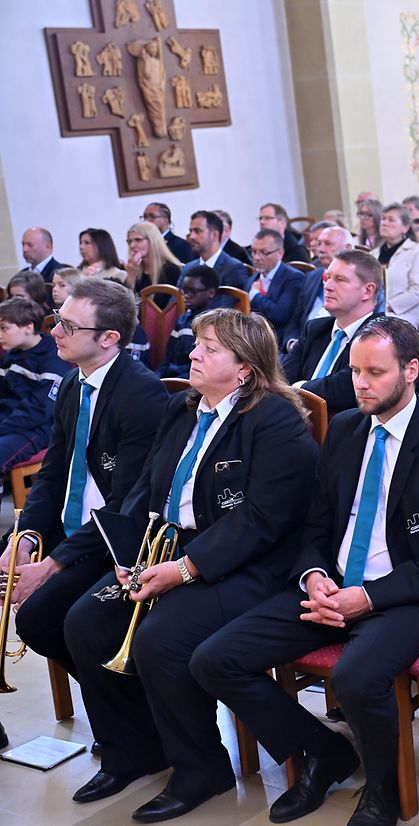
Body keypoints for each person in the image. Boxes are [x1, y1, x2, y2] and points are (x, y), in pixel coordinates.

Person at [192, 316, 419, 826]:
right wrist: (313, 576)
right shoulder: (346, 430)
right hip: (334, 588)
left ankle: (384, 791)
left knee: (356, 677)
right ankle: (321, 751)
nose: (360, 383)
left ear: (411, 370)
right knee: (215, 659)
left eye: (375, 372)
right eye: (354, 371)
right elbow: (315, 525)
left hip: (413, 596)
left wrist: (368, 598)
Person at [60, 309, 317, 819]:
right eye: (197, 344)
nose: (193, 354)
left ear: (244, 369)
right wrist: (129, 554)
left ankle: (201, 769)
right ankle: (132, 749)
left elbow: (263, 520)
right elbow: (146, 487)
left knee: (161, 639)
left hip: (249, 564)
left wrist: (184, 569)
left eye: (209, 349)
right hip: (169, 547)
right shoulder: (183, 409)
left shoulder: (274, 418)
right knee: (85, 622)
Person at [6, 279, 167, 694]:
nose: (55, 332)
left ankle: (130, 709)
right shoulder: (72, 383)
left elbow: (126, 505)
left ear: (109, 338)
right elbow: (52, 473)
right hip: (72, 529)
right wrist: (26, 536)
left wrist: (53, 564)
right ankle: (122, 705)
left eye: (69, 326)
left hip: (114, 542)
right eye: (57, 319)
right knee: (36, 615)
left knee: (45, 619)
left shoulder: (141, 395)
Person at [282, 249, 385, 414]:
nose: (327, 286)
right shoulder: (315, 328)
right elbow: (281, 378)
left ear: (367, 291)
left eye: (340, 279)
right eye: (327, 277)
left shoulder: (380, 336)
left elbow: (341, 391)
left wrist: (298, 387)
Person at [0, 297, 71, 473]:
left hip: (36, 429)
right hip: (9, 420)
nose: (0, 335)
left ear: (28, 327)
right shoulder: (11, 354)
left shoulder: (52, 359)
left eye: (4, 328)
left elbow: (39, 411)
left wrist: (2, 427)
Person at [374, 203, 419, 330]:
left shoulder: (417, 251)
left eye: (391, 220)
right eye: (383, 219)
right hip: (375, 312)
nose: (384, 223)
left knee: (378, 330)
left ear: (405, 228)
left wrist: (388, 306)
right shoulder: (373, 254)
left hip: (405, 313)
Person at [248, 228, 306, 348]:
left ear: (280, 253)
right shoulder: (251, 280)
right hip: (252, 341)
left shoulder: (293, 278)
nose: (257, 257)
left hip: (277, 343)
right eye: (254, 251)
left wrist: (255, 295)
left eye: (264, 252)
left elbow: (280, 315)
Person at [292, 226, 353, 339]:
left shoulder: (357, 281)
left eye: (328, 244)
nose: (321, 249)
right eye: (319, 244)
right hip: (302, 342)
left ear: (347, 248)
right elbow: (295, 319)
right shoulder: (311, 276)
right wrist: (291, 342)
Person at [156, 266, 217, 378]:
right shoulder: (182, 320)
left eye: (193, 291)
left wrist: (174, 381)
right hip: (172, 376)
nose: (186, 296)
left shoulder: (214, 325)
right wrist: (156, 378)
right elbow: (168, 357)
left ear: (211, 293)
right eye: (184, 291)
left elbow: (204, 367)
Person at [181, 210, 248, 293]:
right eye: (191, 231)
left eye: (197, 231)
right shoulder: (188, 268)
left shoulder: (233, 268)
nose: (191, 236)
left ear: (214, 235)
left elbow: (228, 301)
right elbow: (176, 299)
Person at [124, 221, 183, 293]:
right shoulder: (134, 270)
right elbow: (125, 298)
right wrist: (131, 278)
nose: (132, 245)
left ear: (152, 240)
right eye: (130, 241)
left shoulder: (172, 270)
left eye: (138, 240)